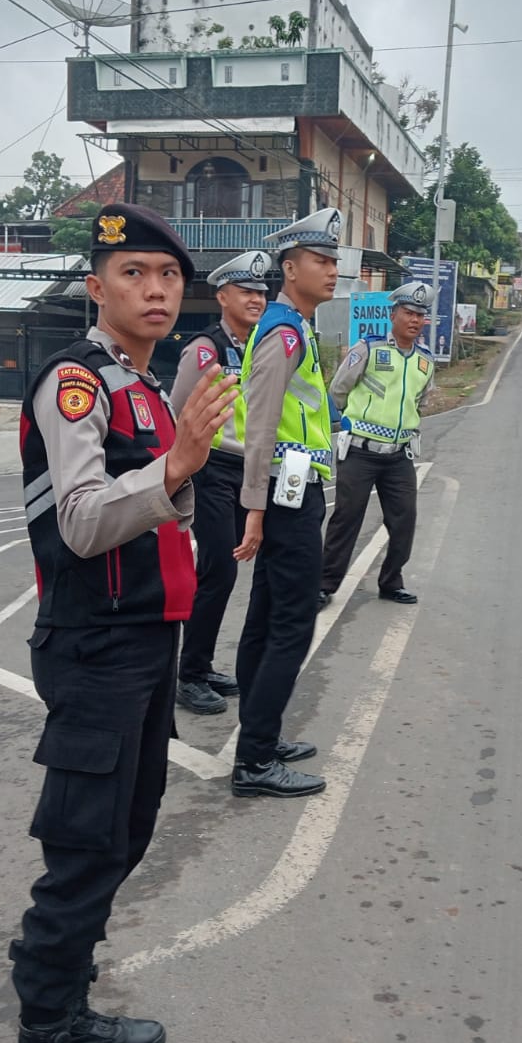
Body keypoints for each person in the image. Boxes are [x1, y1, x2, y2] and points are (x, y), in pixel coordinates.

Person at [1, 203, 237, 1043]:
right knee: (84, 851)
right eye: (134, 273)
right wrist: (181, 461)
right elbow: (85, 524)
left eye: (169, 277)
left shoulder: (143, 390)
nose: (155, 289)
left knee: (126, 837)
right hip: (95, 648)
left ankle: (73, 1009)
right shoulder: (77, 385)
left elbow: (160, 510)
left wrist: (180, 461)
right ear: (96, 288)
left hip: (147, 644)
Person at [228, 208, 346, 800]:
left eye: (334, 261)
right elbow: (261, 423)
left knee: (266, 620)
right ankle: (254, 761)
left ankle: (261, 736)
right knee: (291, 624)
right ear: (290, 266)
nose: (333, 270)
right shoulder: (283, 332)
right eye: (322, 261)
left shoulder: (292, 327)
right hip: (283, 493)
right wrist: (256, 507)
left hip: (289, 488)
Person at [169, 249, 271, 716]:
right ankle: (188, 675)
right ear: (222, 296)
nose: (256, 299)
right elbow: (177, 411)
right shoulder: (205, 350)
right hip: (210, 471)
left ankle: (201, 663)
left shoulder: (261, 346)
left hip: (244, 471)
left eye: (262, 293)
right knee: (219, 570)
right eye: (247, 291)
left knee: (222, 574)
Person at [318, 280, 437, 608]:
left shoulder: (425, 361)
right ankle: (325, 585)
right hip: (360, 452)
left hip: (399, 455)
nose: (414, 320)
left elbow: (421, 402)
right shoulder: (367, 349)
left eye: (420, 315)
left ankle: (391, 582)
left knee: (404, 520)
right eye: (409, 313)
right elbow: (338, 390)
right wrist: (353, 422)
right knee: (347, 518)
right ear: (393, 314)